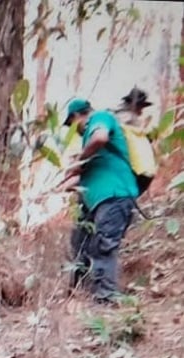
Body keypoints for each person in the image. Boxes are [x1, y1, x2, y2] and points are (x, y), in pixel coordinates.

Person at [62, 98, 139, 304]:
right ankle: (82, 294)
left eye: (72, 124)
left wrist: (80, 159)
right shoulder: (91, 147)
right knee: (80, 244)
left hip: (115, 196)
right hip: (95, 202)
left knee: (103, 246)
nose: (74, 130)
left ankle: (106, 300)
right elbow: (83, 177)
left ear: (78, 115)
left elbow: (101, 138)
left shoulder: (100, 119)